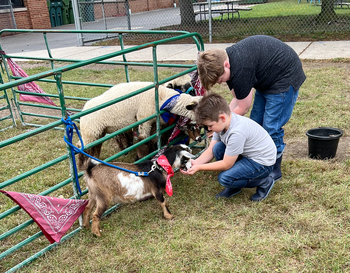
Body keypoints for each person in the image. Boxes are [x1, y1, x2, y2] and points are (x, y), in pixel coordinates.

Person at [196, 35, 306, 183]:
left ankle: (273, 168)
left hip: (284, 78)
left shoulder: (240, 69)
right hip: (266, 78)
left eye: (220, 79)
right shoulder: (226, 65)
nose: (220, 82)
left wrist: (220, 123)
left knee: (271, 126)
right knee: (256, 122)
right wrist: (219, 117)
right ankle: (254, 162)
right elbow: (236, 100)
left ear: (226, 65)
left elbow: (243, 106)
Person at [181, 93, 277, 201]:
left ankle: (264, 181)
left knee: (225, 178)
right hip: (247, 154)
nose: (208, 129)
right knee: (217, 148)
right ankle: (235, 185)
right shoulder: (223, 123)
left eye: (210, 126)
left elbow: (226, 164)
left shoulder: (237, 132)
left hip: (262, 163)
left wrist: (199, 167)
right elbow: (211, 150)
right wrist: (196, 162)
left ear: (222, 118)